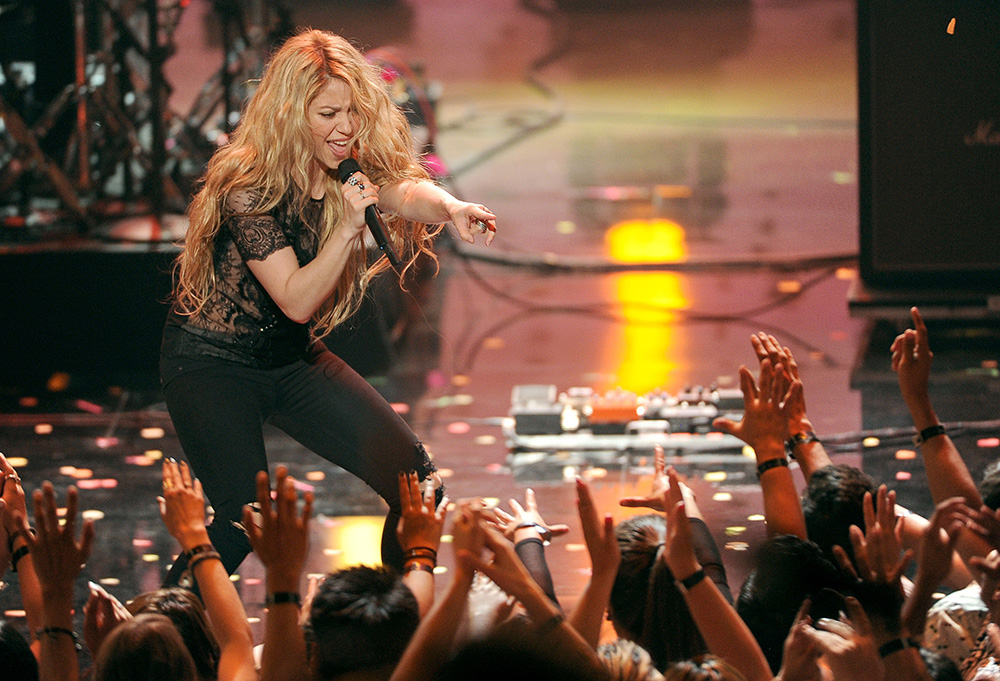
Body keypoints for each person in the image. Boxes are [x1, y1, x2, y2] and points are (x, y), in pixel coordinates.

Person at [159, 28, 498, 581]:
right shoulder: (245, 183)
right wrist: (345, 229)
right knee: (243, 522)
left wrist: (452, 205)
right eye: (326, 114)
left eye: (351, 112)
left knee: (418, 488)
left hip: (289, 359)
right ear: (292, 114)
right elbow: (294, 298)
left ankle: (398, 626)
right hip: (211, 363)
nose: (344, 128)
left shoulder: (345, 159)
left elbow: (403, 189)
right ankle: (159, 643)